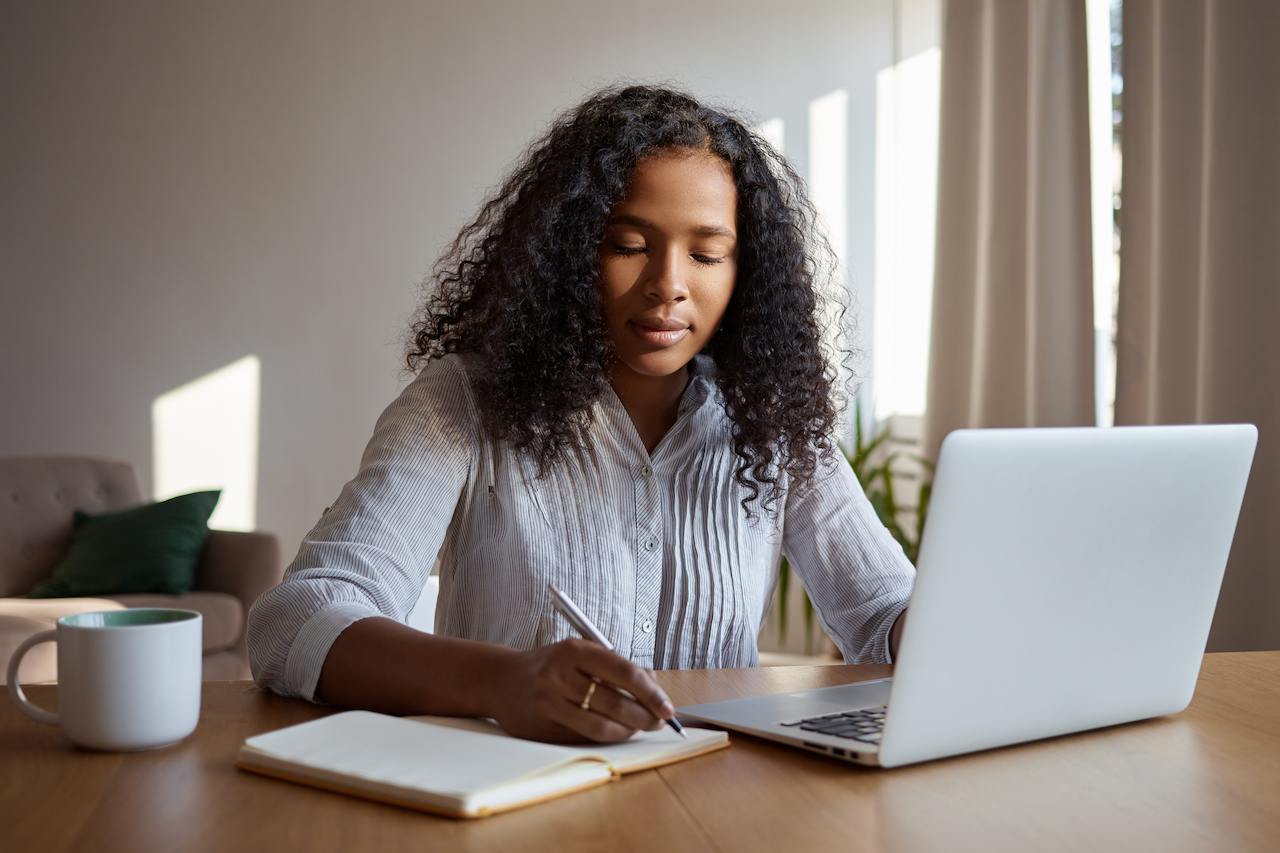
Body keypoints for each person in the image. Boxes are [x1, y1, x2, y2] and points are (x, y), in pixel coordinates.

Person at [246, 84, 915, 746]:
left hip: (712, 800)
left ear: (746, 271)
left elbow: (885, 609)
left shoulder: (772, 423)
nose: (668, 284)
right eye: (628, 244)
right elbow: (295, 619)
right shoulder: (462, 404)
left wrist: (938, 633)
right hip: (510, 796)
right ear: (567, 253)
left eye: (706, 254)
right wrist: (499, 682)